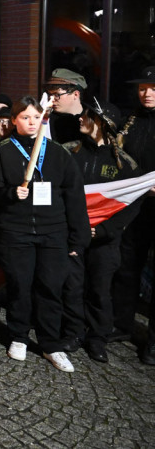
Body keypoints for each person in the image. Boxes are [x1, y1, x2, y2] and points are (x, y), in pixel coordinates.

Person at [0, 96, 89, 372]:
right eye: (25, 117)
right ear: (14, 121)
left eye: (36, 117)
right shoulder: (1, 151)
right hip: (15, 232)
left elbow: (74, 197)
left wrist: (78, 237)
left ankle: (50, 344)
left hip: (53, 232)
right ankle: (18, 336)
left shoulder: (57, 152)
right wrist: (10, 193)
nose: (31, 122)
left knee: (50, 287)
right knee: (20, 285)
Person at [61, 98, 139, 363]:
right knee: (72, 287)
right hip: (73, 236)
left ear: (102, 123)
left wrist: (103, 230)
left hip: (105, 242)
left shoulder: (124, 164)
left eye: (87, 116)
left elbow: (131, 205)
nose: (80, 119)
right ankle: (73, 333)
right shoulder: (68, 152)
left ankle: (97, 338)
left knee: (99, 290)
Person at [113, 66, 155, 364]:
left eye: (152, 88)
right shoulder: (132, 120)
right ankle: (121, 324)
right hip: (134, 205)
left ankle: (153, 342)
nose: (147, 93)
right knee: (127, 266)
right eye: (142, 88)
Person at [45, 69, 87, 144]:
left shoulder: (91, 121)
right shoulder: (46, 121)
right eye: (50, 94)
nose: (51, 99)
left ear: (76, 94)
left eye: (57, 94)